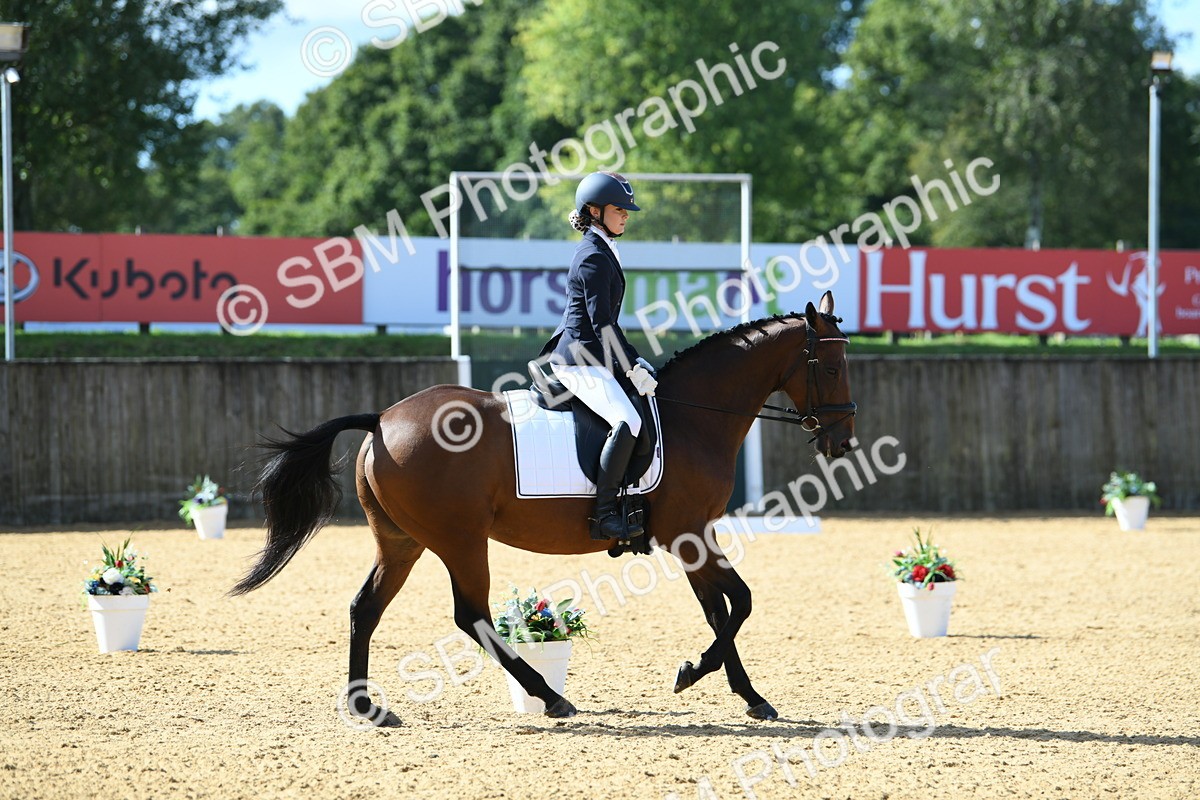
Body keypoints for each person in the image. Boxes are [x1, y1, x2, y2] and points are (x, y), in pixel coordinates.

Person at [540, 171, 658, 542]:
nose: (626, 215)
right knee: (628, 421)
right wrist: (631, 366)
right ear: (594, 211)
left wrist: (634, 361)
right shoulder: (593, 256)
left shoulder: (604, 247)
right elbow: (603, 324)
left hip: (594, 354)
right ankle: (605, 514)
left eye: (627, 209)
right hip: (578, 358)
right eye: (618, 209)